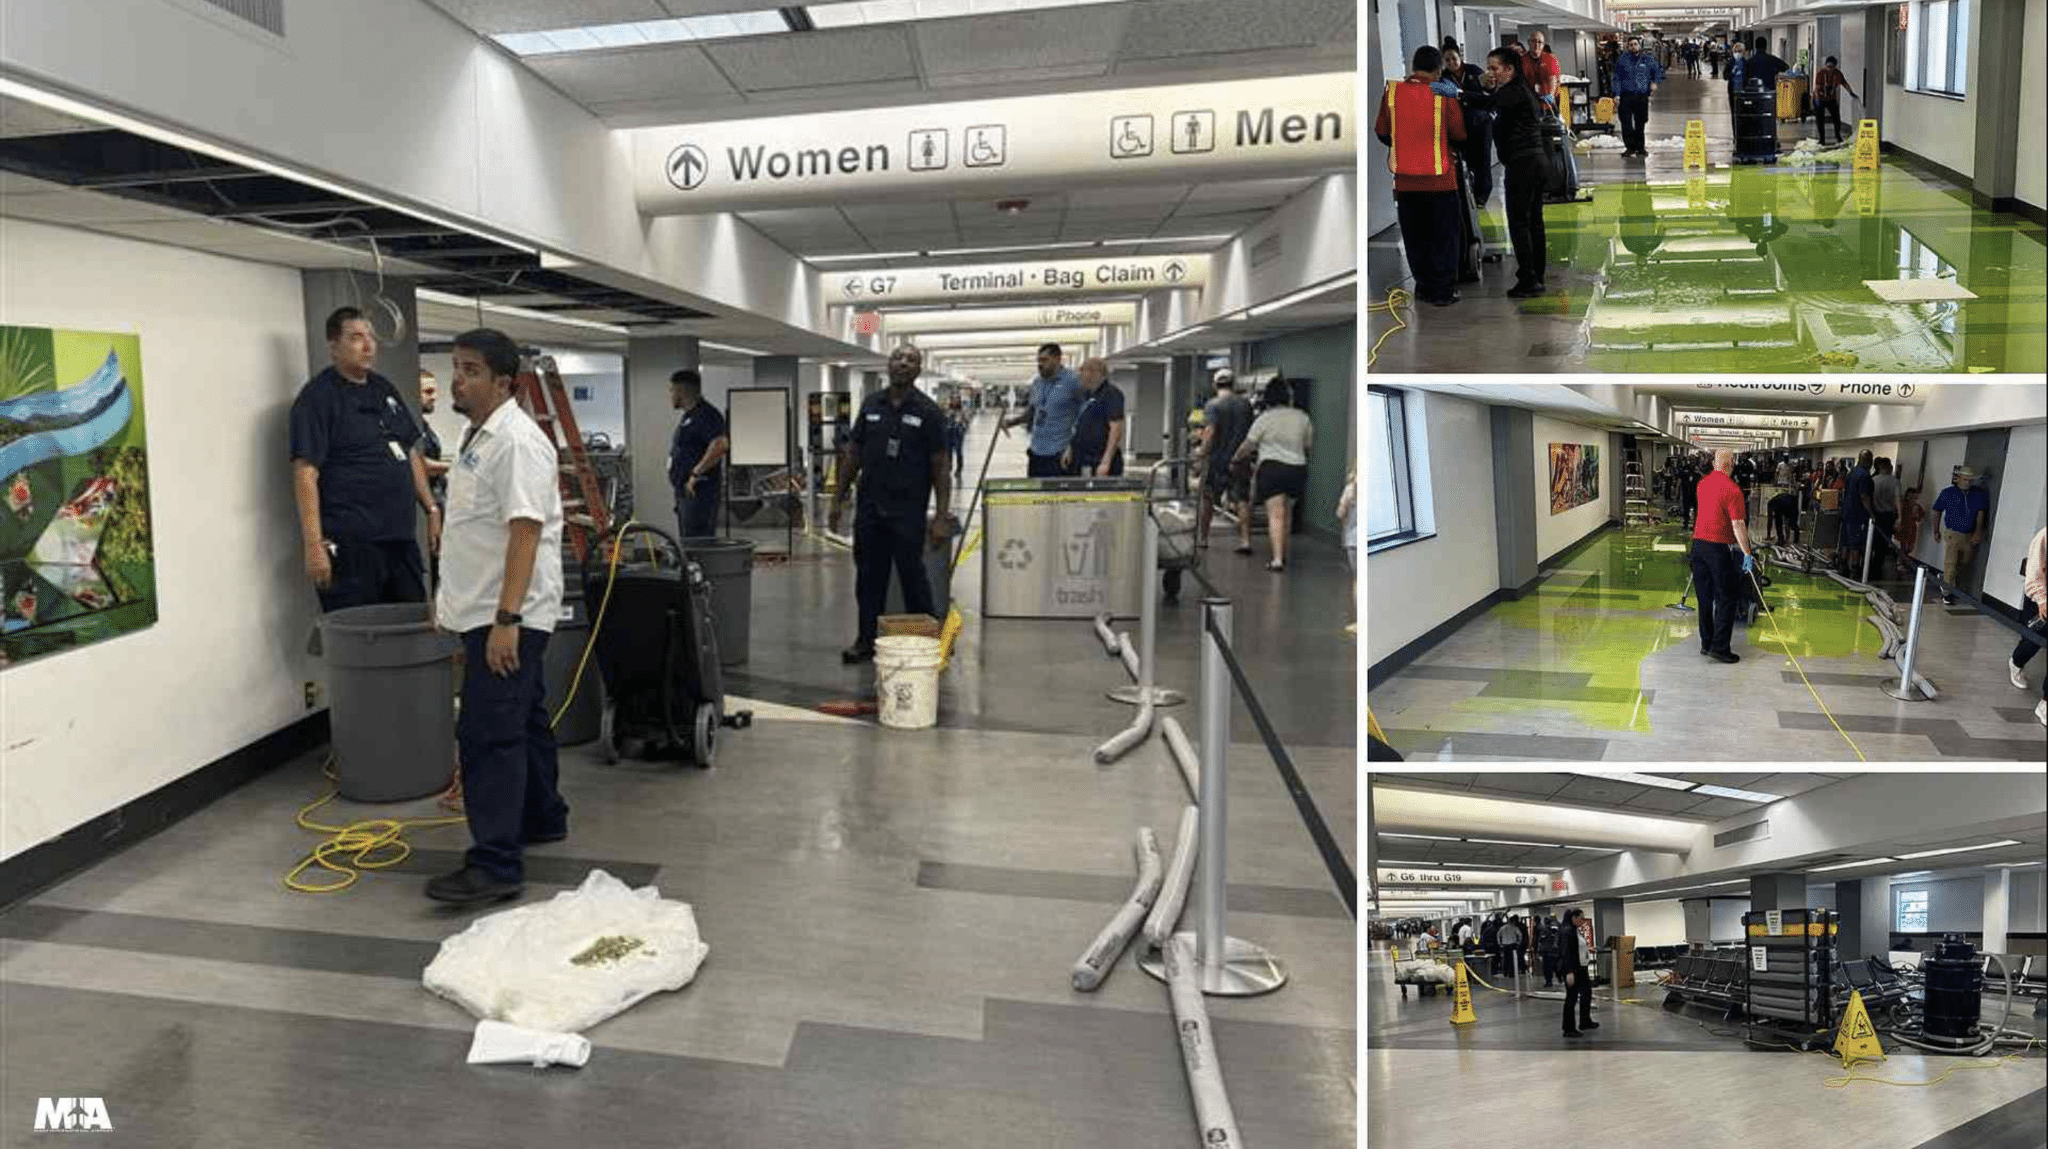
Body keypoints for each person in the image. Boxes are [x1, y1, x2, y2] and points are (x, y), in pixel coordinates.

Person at [426, 327, 568, 905]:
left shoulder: (516, 441)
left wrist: (505, 620)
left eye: (472, 370)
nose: (459, 379)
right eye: (457, 367)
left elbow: (525, 531)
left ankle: (496, 865)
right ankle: (541, 817)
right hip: (484, 610)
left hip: (506, 616)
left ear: (503, 382)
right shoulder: (478, 435)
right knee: (526, 719)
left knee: (488, 735)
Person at [290, 307, 439, 613]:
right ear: (333, 345)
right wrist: (313, 545)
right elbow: (306, 473)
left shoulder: (384, 389)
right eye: (356, 337)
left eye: (370, 337)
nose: (368, 345)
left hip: (399, 542)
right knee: (363, 639)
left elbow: (409, 452)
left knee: (410, 629)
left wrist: (431, 509)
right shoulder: (318, 398)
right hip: (352, 547)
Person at [829, 344, 952, 664]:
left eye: (910, 360)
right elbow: (853, 454)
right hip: (870, 508)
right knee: (869, 578)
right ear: (888, 365)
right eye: (898, 358)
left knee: (913, 577)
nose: (903, 363)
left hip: (908, 511)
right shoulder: (871, 405)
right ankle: (866, 640)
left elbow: (940, 465)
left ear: (918, 370)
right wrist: (837, 498)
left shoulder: (928, 411)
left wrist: (940, 515)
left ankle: (926, 641)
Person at [1375, 46, 1469, 308]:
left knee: (1416, 238)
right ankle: (1442, 291)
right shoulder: (1442, 94)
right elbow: (1459, 134)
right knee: (1444, 238)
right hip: (1440, 180)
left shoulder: (1392, 92)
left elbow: (1382, 131)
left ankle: (1424, 288)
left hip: (1405, 182)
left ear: (1413, 67)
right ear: (1438, 69)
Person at [1482, 47, 1551, 298]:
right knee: (1534, 221)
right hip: (1535, 162)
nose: (1490, 73)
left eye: (1494, 68)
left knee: (1520, 222)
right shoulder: (1523, 90)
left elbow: (1489, 103)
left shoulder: (1512, 92)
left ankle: (1529, 279)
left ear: (1508, 70)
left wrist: (1458, 94)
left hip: (1523, 164)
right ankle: (1536, 275)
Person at [1232, 379, 1314, 572]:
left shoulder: (1264, 419)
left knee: (1275, 515)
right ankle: (1282, 554)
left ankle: (1277, 560)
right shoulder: (1302, 417)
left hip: (1272, 468)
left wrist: (1236, 458)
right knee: (1287, 515)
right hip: (1297, 468)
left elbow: (1248, 444)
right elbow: (1308, 445)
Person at [1692, 448, 1760, 663]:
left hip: (1698, 547)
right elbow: (1738, 524)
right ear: (1731, 465)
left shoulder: (1702, 484)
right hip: (1718, 550)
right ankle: (1720, 648)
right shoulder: (1733, 490)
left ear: (1714, 464)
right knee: (1726, 597)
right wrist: (1748, 553)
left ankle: (1706, 643)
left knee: (1704, 598)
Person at [1000, 343, 1082, 477]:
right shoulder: (1037, 382)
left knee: (1057, 497)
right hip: (1036, 451)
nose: (1040, 364)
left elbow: (1084, 414)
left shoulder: (1073, 381)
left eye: (1044, 360)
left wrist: (1073, 446)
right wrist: (1011, 422)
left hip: (1060, 453)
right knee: (1035, 496)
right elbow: (1033, 411)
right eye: (1038, 360)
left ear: (1058, 359)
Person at [667, 369, 728, 540]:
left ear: (682, 391)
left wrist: (695, 473)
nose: (670, 395)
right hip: (685, 491)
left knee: (698, 540)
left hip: (700, 490)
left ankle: (700, 566)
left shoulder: (707, 415)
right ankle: (691, 566)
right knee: (688, 539)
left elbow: (720, 445)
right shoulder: (689, 416)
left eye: (672, 390)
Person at [1196, 370, 1254, 550]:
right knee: (1241, 499)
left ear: (1215, 385)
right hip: (1239, 459)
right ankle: (1245, 540)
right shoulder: (1246, 405)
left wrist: (1201, 453)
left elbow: (1210, 432)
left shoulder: (1212, 405)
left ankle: (1203, 539)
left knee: (1208, 499)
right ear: (1234, 384)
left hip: (1216, 460)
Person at [1929, 466, 1990, 604]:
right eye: (1965, 479)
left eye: (1970, 480)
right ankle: (1947, 593)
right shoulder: (1947, 493)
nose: (1967, 482)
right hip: (1952, 532)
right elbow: (1936, 511)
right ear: (1958, 478)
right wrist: (1936, 530)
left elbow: (1981, 513)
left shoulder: (1978, 494)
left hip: (1969, 534)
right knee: (1951, 563)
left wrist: (1978, 532)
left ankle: (1945, 579)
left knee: (1964, 563)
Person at [2010, 526, 2046, 727]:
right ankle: (2016, 662)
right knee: (2032, 642)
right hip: (2042, 597)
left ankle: (2045, 702)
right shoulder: (2045, 536)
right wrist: (2042, 600)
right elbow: (2034, 572)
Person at [1065, 357, 1126, 477]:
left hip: (1100, 457)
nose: (1080, 374)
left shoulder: (1111, 394)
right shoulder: (1084, 394)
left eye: (1082, 370)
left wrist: (1106, 461)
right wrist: (1069, 448)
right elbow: (1075, 424)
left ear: (1095, 372)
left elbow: (1115, 429)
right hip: (1080, 457)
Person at [1612, 35, 1665, 158]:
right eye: (1630, 45)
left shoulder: (1647, 59)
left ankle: (1640, 148)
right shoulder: (1622, 60)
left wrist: (1654, 82)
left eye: (1635, 44)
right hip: (1626, 96)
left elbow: (1658, 71)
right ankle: (1630, 148)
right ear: (1627, 47)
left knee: (1640, 123)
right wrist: (1616, 94)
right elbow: (1617, 78)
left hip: (1641, 96)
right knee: (1626, 124)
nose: (1633, 46)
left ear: (1639, 45)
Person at [1560, 908, 1598, 1037]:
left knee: (1586, 993)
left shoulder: (1575, 931)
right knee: (1571, 998)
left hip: (1582, 968)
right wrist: (1569, 972)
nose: (1582, 921)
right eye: (1580, 918)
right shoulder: (1567, 931)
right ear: (1573, 918)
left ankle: (1585, 1021)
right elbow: (1566, 953)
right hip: (1573, 969)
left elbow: (1578, 948)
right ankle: (1568, 1028)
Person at [1812, 55, 1858, 146]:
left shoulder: (1837, 74)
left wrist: (1851, 92)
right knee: (1820, 119)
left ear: (1835, 67)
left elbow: (1844, 83)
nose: (1829, 69)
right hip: (1820, 97)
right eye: (1828, 67)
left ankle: (1838, 136)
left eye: (1832, 67)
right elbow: (1817, 88)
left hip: (1831, 98)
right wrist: (1817, 101)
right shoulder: (1820, 73)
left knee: (1836, 118)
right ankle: (1822, 139)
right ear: (1825, 66)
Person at [1841, 449, 1874, 575]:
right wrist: (1871, 514)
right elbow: (1864, 496)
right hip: (1857, 513)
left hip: (1847, 511)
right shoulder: (1864, 476)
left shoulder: (1852, 472)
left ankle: (1843, 563)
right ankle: (1854, 566)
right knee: (1856, 541)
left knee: (1846, 539)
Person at [1869, 457, 1899, 577]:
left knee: (1872, 541)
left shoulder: (1873, 480)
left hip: (1875, 513)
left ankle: (1867, 564)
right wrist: (1899, 517)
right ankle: (1877, 566)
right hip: (1888, 515)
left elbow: (1869, 499)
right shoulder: (1894, 481)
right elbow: (1898, 500)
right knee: (1883, 543)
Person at [1528, 31, 1563, 105]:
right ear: (1529, 42)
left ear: (1543, 44)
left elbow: (1552, 78)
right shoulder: (1524, 59)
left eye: (1539, 42)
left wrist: (1550, 95)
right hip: (1530, 103)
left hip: (1548, 103)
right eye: (1533, 41)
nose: (1536, 44)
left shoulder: (1550, 59)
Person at [1895, 486, 1925, 562]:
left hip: (1911, 530)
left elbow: (1920, 517)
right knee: (1904, 547)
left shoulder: (1916, 506)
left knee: (1909, 547)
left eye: (1915, 498)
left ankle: (1902, 561)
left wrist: (1917, 515)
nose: (1914, 500)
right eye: (1912, 497)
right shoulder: (1903, 504)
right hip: (1903, 528)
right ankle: (1900, 562)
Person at [945, 397, 969, 479]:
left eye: (956, 400)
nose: (954, 401)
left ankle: (959, 469)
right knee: (948, 451)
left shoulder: (963, 410)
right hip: (949, 431)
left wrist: (963, 426)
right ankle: (948, 468)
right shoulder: (947, 409)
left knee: (958, 450)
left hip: (957, 431)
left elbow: (967, 420)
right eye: (953, 399)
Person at [1498, 914, 1525, 980]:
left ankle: (1505, 973)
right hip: (1512, 945)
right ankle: (1511, 973)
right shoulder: (1515, 928)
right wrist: (1518, 943)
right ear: (1513, 921)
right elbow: (1520, 935)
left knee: (1505, 959)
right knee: (1512, 960)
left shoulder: (1502, 928)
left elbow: (1498, 935)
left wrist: (1500, 944)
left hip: (1504, 945)